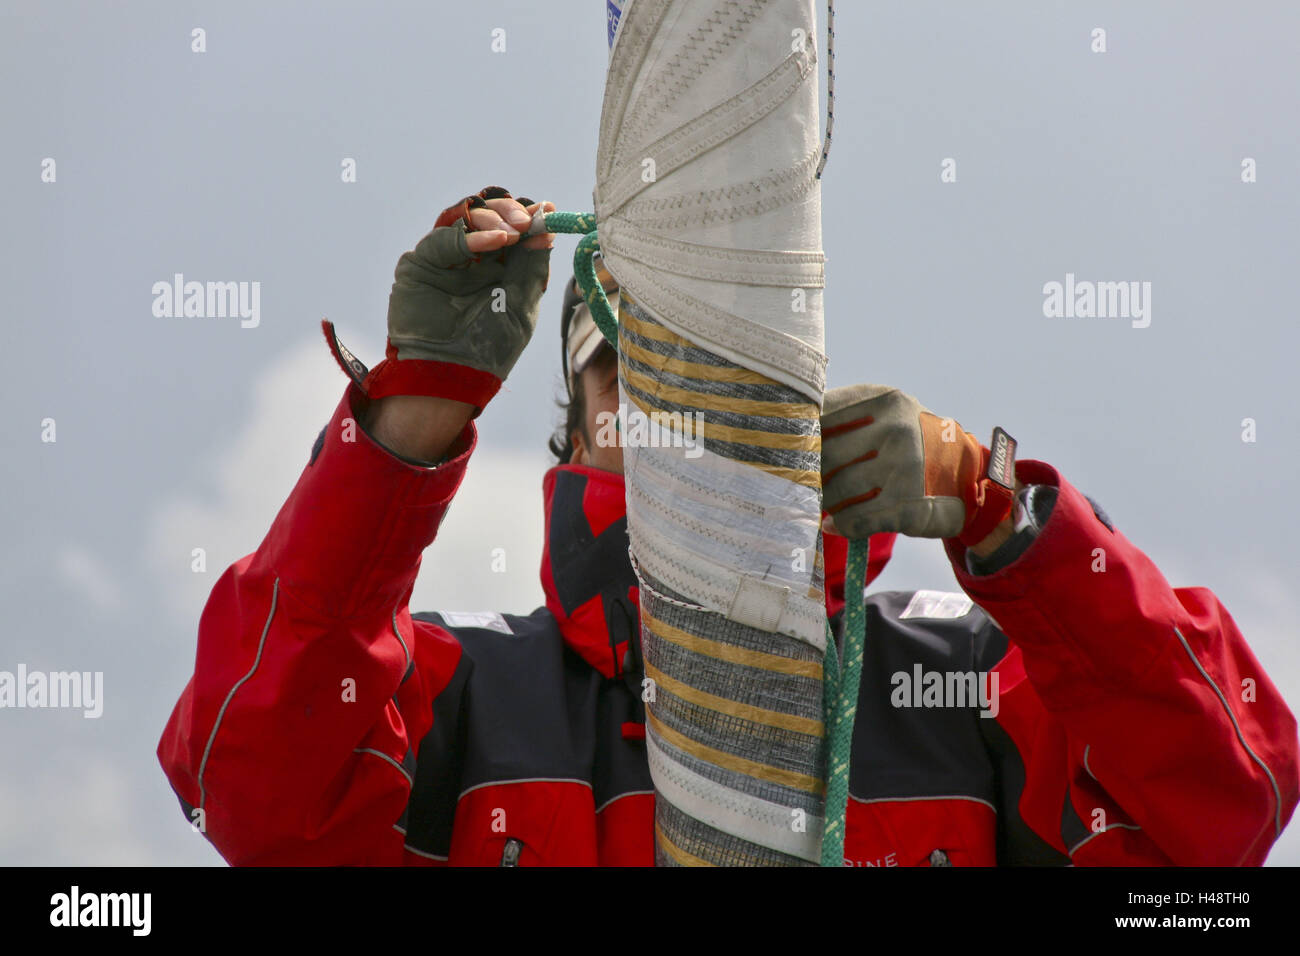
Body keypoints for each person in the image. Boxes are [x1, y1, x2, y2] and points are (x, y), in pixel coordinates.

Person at [158, 186, 1298, 866]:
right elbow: (247, 788)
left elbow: (1223, 801)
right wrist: (403, 427)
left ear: (797, 394)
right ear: (580, 427)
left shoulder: (964, 682)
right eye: (635, 363)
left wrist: (1001, 510)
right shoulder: (460, 692)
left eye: (724, 357)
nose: (679, 393)